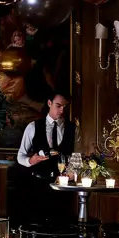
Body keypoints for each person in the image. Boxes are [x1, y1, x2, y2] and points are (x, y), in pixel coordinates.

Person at [15, 90, 78, 223]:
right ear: (49, 103)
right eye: (58, 106)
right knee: (38, 225)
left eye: (65, 106)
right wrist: (30, 160)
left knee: (62, 225)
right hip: (38, 187)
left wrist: (72, 173)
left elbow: (76, 157)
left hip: (63, 189)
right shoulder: (33, 127)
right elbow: (20, 156)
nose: (62, 110)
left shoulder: (73, 129)